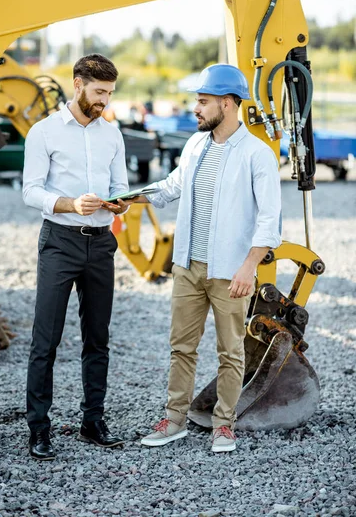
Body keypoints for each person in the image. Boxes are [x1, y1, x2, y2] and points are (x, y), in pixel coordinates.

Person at [125, 64, 282, 453]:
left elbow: (270, 218)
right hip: (187, 268)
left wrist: (249, 266)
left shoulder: (257, 154)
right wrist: (126, 199)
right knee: (181, 347)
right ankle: (174, 419)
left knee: (230, 351)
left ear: (227, 104)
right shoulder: (195, 145)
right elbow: (172, 186)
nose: (195, 108)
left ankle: (223, 424)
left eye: (203, 101)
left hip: (231, 271)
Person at [23, 54, 130, 460]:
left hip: (101, 244)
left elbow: (119, 183)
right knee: (45, 339)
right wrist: (70, 203)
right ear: (78, 85)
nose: (104, 100)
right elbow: (30, 191)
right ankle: (39, 429)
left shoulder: (112, 134)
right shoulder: (43, 132)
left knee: (97, 338)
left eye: (110, 93)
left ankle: (93, 421)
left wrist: (119, 203)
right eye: (99, 92)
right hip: (59, 242)